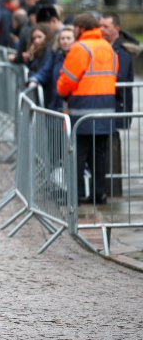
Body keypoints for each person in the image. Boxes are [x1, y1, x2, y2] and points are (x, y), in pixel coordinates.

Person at [57, 13, 118, 204]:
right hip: (106, 108)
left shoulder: (79, 48)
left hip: (82, 109)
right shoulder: (108, 47)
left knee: (78, 155)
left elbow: (67, 81)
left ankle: (74, 196)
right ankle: (99, 194)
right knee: (99, 155)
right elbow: (114, 72)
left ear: (80, 28)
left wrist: (61, 90)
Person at [25, 23, 54, 106]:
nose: (36, 41)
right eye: (34, 38)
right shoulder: (38, 51)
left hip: (47, 93)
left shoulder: (49, 50)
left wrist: (35, 79)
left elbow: (45, 69)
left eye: (39, 37)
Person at [48, 25, 74, 112]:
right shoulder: (55, 56)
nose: (65, 41)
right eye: (62, 38)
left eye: (68, 38)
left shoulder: (77, 58)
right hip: (55, 104)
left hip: (69, 105)